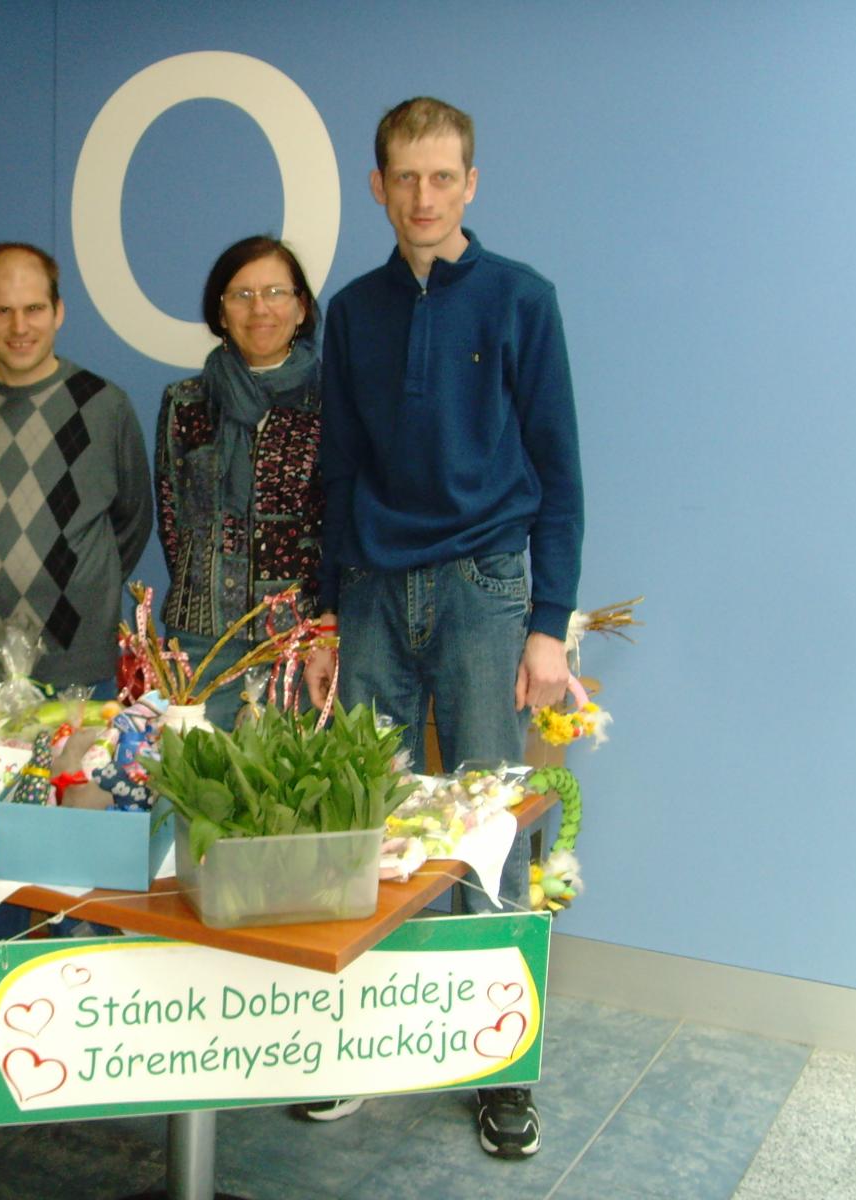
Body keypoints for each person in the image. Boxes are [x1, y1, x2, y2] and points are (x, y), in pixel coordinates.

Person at [305, 97, 583, 1158]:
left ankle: (500, 1066)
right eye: (404, 178)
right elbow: (338, 472)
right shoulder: (353, 310)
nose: (423, 198)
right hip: (373, 590)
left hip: (483, 590)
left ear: (470, 184)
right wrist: (327, 613)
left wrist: (547, 625)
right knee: (371, 826)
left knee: (486, 830)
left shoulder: (522, 299)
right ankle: (371, 1041)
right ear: (377, 186)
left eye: (442, 177)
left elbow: (559, 470)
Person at [0, 242, 153, 1028]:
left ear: (58, 311)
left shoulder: (104, 406)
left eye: (34, 309)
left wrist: (79, 599)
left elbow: (130, 522)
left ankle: (82, 966)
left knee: (80, 817)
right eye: (2, 310)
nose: (19, 326)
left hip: (79, 660)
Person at [154, 236, 324, 731]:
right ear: (220, 312)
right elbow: (172, 518)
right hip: (201, 643)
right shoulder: (186, 402)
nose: (259, 308)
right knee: (197, 774)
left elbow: (342, 523)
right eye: (241, 295)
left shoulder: (330, 403)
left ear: (301, 308)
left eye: (274, 292)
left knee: (296, 778)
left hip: (302, 643)